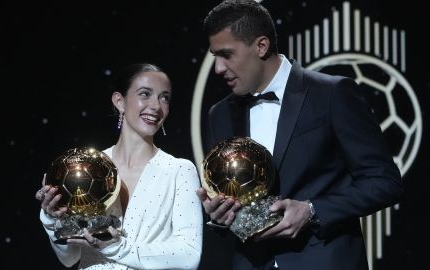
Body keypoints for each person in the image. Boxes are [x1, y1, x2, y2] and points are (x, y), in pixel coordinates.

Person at [195, 1, 404, 270]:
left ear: (261, 46)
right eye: (215, 56)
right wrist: (221, 217)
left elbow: (384, 182)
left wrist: (312, 210)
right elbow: (238, 210)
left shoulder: (332, 94)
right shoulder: (220, 113)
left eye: (226, 55)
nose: (219, 68)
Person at [36, 63, 203, 270]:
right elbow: (69, 258)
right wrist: (52, 220)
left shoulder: (179, 171)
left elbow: (189, 255)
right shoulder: (86, 168)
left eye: (164, 97)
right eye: (145, 94)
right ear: (119, 101)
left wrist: (116, 247)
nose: (156, 106)